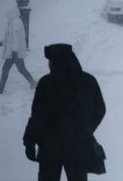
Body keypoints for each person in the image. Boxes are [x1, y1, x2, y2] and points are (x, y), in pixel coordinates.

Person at [23, 44, 106, 181]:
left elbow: (37, 116)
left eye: (50, 61)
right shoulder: (88, 81)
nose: (48, 64)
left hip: (50, 147)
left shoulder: (46, 83)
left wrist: (29, 141)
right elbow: (100, 109)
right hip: (78, 146)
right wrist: (85, 128)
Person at [0, 8, 36, 95]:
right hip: (13, 52)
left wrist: (14, 51)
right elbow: (8, 37)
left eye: (8, 14)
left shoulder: (16, 22)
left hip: (15, 52)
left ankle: (1, 89)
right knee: (19, 69)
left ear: (12, 14)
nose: (7, 16)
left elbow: (16, 38)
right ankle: (33, 83)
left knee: (10, 69)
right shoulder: (12, 22)